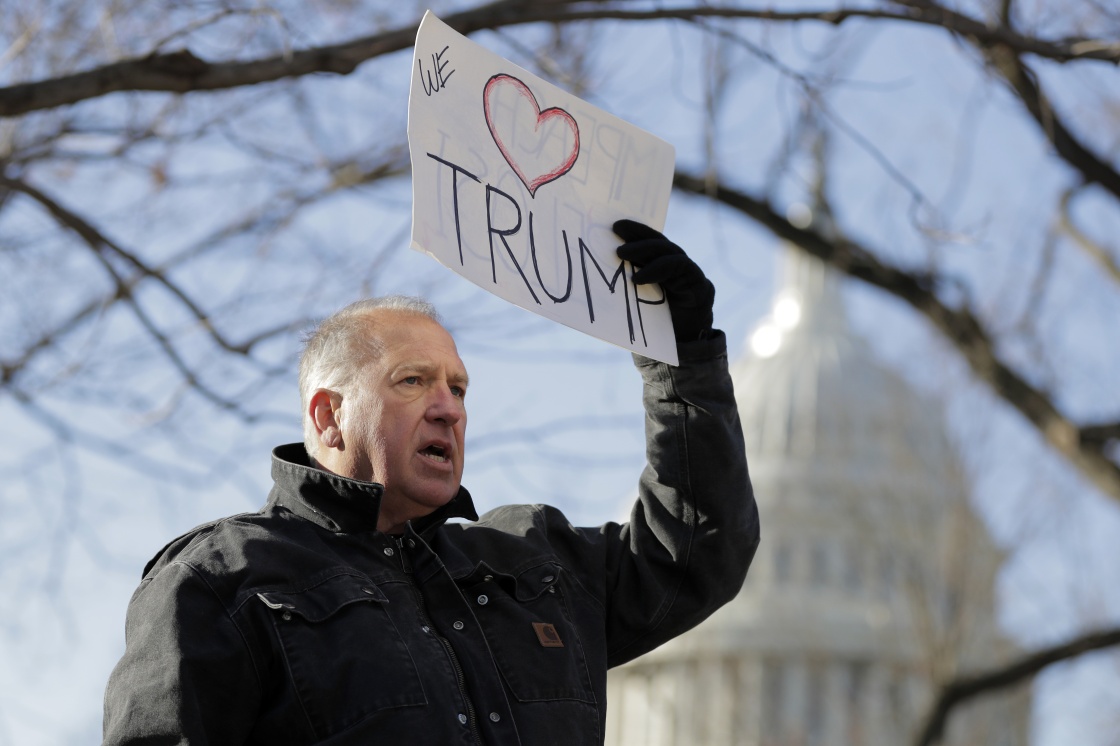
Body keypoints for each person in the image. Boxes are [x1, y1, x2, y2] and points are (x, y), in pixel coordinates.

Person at [102, 220, 759, 745]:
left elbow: (697, 550)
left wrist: (684, 361)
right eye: (413, 381)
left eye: (459, 388)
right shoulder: (222, 582)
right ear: (328, 418)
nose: (448, 407)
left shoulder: (538, 568)